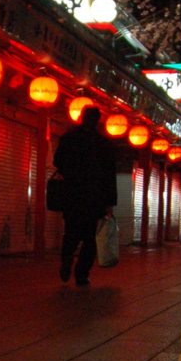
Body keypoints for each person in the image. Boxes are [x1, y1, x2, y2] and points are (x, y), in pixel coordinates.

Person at [53, 105, 117, 286]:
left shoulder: (70, 138)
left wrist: (71, 174)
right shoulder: (104, 144)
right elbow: (109, 175)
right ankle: (81, 274)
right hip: (95, 199)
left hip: (73, 196)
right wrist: (110, 202)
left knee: (71, 232)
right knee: (90, 239)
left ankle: (66, 258)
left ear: (82, 117)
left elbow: (57, 161)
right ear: (98, 121)